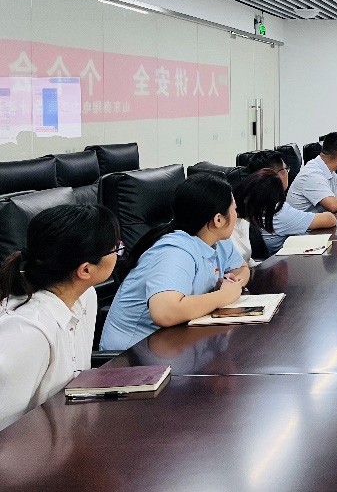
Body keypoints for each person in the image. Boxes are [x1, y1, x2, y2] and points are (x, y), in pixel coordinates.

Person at [0, 205, 120, 430]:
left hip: (67, 432)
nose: (118, 253)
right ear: (85, 270)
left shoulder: (86, 297)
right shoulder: (28, 332)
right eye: (115, 249)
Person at [100, 173, 251, 351]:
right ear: (218, 220)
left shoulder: (218, 241)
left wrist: (233, 282)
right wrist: (223, 296)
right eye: (233, 209)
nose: (236, 214)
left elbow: (241, 268)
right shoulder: (175, 251)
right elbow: (164, 312)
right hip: (131, 354)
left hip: (174, 342)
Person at [232, 168, 336, 262]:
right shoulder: (277, 212)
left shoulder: (237, 210)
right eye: (285, 168)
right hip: (275, 264)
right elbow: (330, 219)